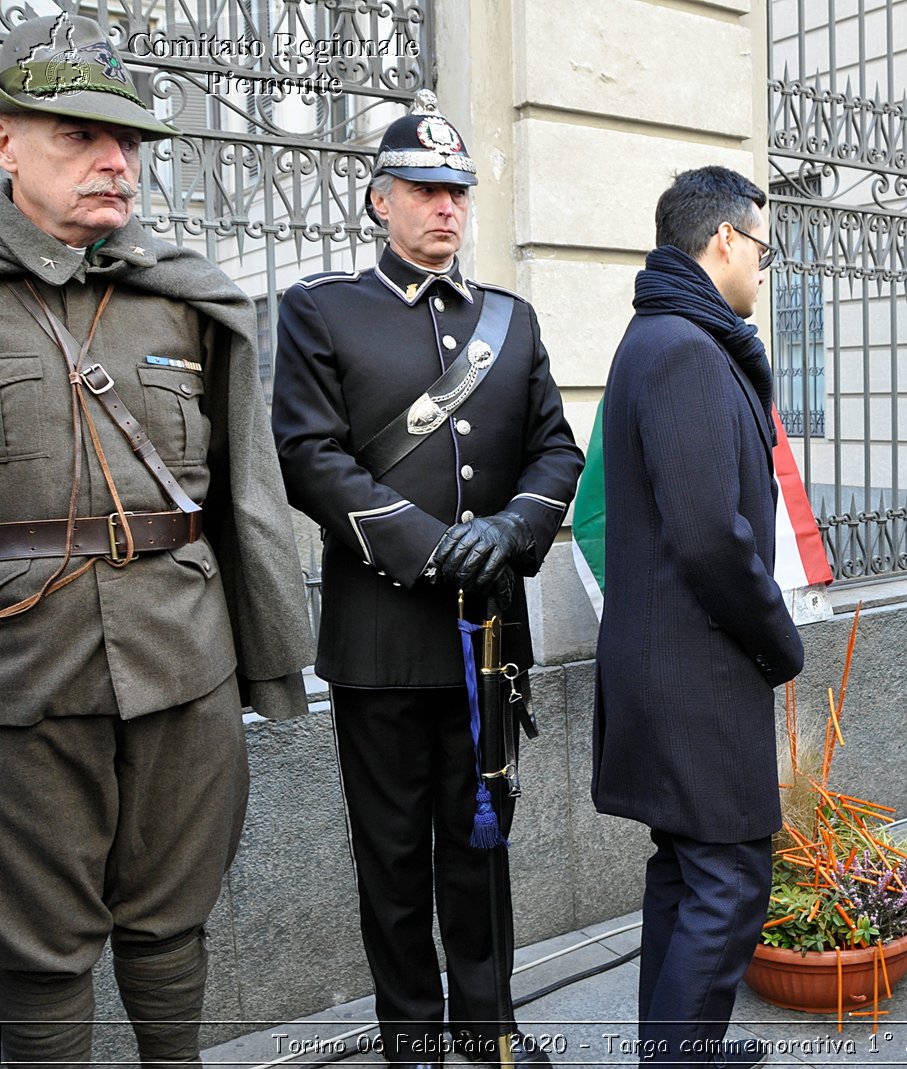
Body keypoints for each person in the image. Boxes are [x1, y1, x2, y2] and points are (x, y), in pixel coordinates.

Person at [0, 13, 312, 1065]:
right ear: (4, 142)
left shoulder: (186, 297)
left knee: (172, 917)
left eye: (126, 141)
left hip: (182, 653)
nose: (112, 160)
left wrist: (271, 660)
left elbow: (248, 496)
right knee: (40, 948)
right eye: (77, 135)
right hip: (21, 672)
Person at [273, 92, 582, 1066]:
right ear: (379, 202)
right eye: (421, 190)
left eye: (455, 192)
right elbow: (309, 455)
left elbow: (555, 451)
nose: (443, 208)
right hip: (381, 635)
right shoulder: (322, 312)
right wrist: (420, 540)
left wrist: (509, 529)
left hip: (490, 633)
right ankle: (410, 1034)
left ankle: (488, 1023)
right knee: (394, 852)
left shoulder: (513, 321)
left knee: (481, 842)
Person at [591, 166, 803, 1068]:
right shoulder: (683, 346)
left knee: (686, 872)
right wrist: (778, 638)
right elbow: (711, 535)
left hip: (675, 663)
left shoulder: (674, 335)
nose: (763, 265)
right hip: (695, 669)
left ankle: (678, 1050)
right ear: (724, 241)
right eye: (761, 246)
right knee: (729, 882)